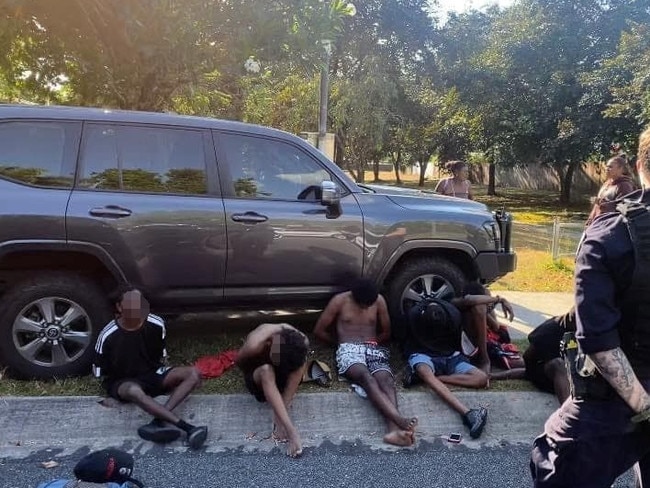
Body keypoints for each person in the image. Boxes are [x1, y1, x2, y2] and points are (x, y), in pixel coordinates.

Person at [530, 126, 650, 487]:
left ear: (640, 165)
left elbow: (599, 341)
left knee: (555, 463)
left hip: (619, 402)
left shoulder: (611, 234)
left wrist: (644, 408)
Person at [94, 285, 208, 449]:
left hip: (152, 374)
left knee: (193, 373)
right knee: (133, 391)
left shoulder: (156, 323)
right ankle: (187, 428)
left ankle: (158, 420)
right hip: (123, 381)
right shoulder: (108, 334)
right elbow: (100, 371)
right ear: (119, 307)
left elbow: (160, 355)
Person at [313, 278, 418, 447]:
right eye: (363, 305)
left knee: (386, 380)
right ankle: (399, 420)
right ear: (355, 298)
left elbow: (386, 331)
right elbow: (319, 330)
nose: (366, 308)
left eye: (369, 305)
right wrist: (339, 344)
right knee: (366, 377)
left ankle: (393, 432)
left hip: (372, 348)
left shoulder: (379, 301)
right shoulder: (340, 301)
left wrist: (372, 343)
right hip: (348, 349)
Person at [403, 293, 492, 439]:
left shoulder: (452, 314)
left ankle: (430, 379)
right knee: (424, 371)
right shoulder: (413, 316)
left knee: (481, 378)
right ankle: (468, 413)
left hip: (450, 356)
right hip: (423, 355)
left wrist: (499, 299)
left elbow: (471, 301)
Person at [236, 322, 309, 458]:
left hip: (282, 369)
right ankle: (291, 431)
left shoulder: (301, 340)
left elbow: (298, 364)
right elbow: (240, 364)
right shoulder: (255, 344)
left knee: (301, 364)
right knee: (266, 371)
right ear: (269, 343)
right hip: (259, 372)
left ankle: (281, 417)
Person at [490, 308, 575, 405]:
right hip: (554, 373)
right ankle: (568, 411)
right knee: (558, 365)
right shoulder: (549, 330)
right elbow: (528, 359)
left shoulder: (592, 329)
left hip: (578, 372)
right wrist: (531, 373)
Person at [585, 154, 637, 226]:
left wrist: (603, 204)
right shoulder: (606, 183)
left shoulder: (625, 186)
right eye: (607, 166)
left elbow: (623, 210)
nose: (607, 169)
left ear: (620, 169)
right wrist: (590, 220)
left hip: (609, 227)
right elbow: (597, 206)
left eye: (610, 167)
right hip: (596, 224)